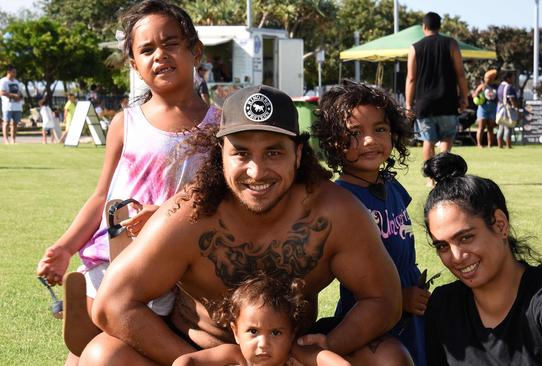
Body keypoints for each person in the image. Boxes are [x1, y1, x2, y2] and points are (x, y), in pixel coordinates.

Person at [79, 85, 408, 366]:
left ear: (297, 154)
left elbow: (384, 299)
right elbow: (113, 303)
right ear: (220, 154)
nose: (256, 171)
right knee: (102, 356)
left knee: (388, 356)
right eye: (241, 153)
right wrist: (199, 361)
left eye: (274, 152)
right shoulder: (189, 214)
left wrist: (325, 348)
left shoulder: (335, 211)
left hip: (293, 354)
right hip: (202, 350)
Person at [36, 0, 220, 363]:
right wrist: (64, 248)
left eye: (171, 43)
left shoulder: (220, 126)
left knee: (127, 336)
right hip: (113, 252)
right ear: (135, 65)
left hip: (172, 261)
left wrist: (168, 214)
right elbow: (101, 195)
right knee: (84, 350)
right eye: (147, 49)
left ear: (195, 51)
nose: (160, 55)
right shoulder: (126, 123)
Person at [421, 152, 542, 365]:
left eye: (466, 237)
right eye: (442, 246)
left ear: (500, 225)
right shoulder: (444, 306)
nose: (456, 257)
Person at [312, 80, 427, 366]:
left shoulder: (392, 185)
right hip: (369, 309)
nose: (370, 141)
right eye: (354, 133)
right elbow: (349, 271)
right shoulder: (342, 199)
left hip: (411, 303)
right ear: (333, 141)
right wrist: (399, 297)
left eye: (380, 129)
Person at [173, 274, 350, 366]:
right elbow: (187, 360)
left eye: (276, 333)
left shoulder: (293, 353)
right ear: (235, 332)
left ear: (291, 334)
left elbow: (332, 361)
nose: (263, 343)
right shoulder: (234, 356)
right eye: (253, 331)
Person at [405, 12, 468, 177]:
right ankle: (444, 174)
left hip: (424, 103)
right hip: (447, 101)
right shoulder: (451, 44)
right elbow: (460, 74)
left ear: (424, 27)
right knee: (447, 137)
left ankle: (430, 178)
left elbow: (411, 78)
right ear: (440, 26)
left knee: (428, 140)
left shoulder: (414, 48)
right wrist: (464, 97)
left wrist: (408, 105)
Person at [471, 69, 498, 148]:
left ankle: (490, 144)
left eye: (491, 78)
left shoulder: (495, 86)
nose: (489, 80)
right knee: (481, 127)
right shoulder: (482, 86)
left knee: (490, 128)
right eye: (488, 78)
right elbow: (474, 94)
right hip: (483, 108)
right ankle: (479, 144)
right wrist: (478, 96)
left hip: (492, 107)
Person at [0, 65, 24, 144]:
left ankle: (13, 140)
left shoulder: (17, 82)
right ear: (8, 72)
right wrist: (13, 96)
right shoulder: (3, 81)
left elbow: (20, 93)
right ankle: (6, 140)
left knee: (15, 123)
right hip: (7, 106)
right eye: (13, 72)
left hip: (17, 106)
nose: (15, 74)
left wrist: (19, 97)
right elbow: (2, 92)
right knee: (6, 122)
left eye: (15, 72)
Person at [496, 69, 518, 149]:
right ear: (508, 78)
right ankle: (508, 145)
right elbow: (512, 99)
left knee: (501, 127)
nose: (513, 79)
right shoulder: (509, 87)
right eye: (512, 77)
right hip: (507, 109)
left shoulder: (500, 86)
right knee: (508, 126)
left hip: (500, 109)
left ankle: (500, 145)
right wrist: (516, 108)